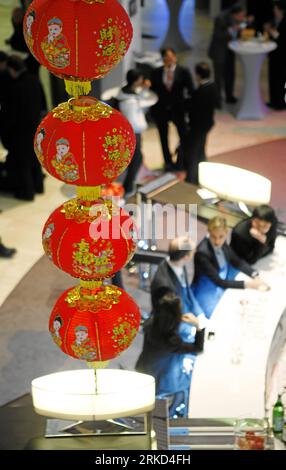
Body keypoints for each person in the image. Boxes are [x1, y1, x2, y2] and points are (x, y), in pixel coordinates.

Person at [136, 293, 205, 418]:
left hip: (145, 365)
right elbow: (197, 348)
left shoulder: (151, 323)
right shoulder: (171, 340)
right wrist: (198, 325)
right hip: (161, 376)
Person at [192, 217, 270, 318]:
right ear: (209, 233)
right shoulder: (202, 253)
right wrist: (250, 284)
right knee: (216, 315)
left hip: (223, 276)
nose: (217, 241)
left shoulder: (222, 243)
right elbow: (219, 282)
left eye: (221, 237)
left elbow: (237, 262)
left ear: (226, 233)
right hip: (208, 285)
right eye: (213, 236)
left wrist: (255, 275)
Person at [0, 55, 45, 200]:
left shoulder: (15, 87)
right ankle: (39, 186)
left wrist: (5, 130)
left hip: (20, 130)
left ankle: (27, 193)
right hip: (34, 125)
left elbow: (10, 114)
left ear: (12, 69)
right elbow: (42, 102)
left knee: (22, 162)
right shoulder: (34, 80)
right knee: (34, 158)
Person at [150, 48, 194, 171]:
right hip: (162, 110)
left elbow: (190, 89)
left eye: (171, 56)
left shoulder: (183, 71)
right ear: (163, 59)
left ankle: (183, 160)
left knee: (183, 135)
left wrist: (189, 107)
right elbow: (153, 90)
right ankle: (168, 162)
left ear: (175, 57)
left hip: (178, 109)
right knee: (163, 137)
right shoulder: (156, 72)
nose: (169, 59)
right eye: (166, 57)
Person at [151, 236, 208, 329]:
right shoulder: (163, 285)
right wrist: (196, 324)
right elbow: (169, 317)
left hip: (184, 310)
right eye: (192, 252)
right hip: (175, 324)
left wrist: (200, 314)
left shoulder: (179, 263)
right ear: (186, 257)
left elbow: (187, 292)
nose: (194, 253)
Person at [117, 69, 157, 195]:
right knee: (136, 159)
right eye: (140, 78)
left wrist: (144, 90)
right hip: (133, 133)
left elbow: (140, 98)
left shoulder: (125, 93)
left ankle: (129, 186)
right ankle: (128, 188)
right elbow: (134, 120)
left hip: (130, 133)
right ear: (136, 80)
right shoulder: (131, 101)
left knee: (135, 159)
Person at [208, 3, 248, 108]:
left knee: (230, 74)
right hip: (219, 51)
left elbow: (237, 32)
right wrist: (232, 30)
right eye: (241, 15)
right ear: (235, 14)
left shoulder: (237, 19)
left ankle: (229, 96)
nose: (242, 18)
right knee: (219, 77)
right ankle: (217, 101)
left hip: (230, 51)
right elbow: (218, 35)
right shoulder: (220, 18)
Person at [184, 62, 217, 185]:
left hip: (198, 126)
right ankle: (200, 177)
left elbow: (194, 109)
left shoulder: (200, 91)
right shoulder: (213, 86)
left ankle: (191, 179)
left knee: (192, 152)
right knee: (201, 151)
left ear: (197, 75)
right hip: (207, 124)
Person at [264, 1, 286, 110]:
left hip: (282, 55)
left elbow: (279, 36)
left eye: (275, 9)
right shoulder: (275, 20)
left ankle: (281, 103)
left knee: (280, 79)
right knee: (272, 78)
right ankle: (273, 101)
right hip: (273, 54)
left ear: (280, 9)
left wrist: (271, 31)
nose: (274, 10)